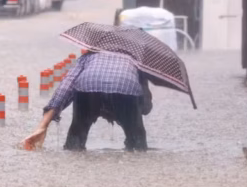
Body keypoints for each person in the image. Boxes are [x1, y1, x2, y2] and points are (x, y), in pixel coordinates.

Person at [23, 50, 152, 152]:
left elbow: (65, 87)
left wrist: (43, 126)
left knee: (75, 143)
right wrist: (137, 114)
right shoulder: (136, 60)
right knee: (138, 145)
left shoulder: (88, 56)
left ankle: (73, 149)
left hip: (88, 87)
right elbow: (146, 107)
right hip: (124, 88)